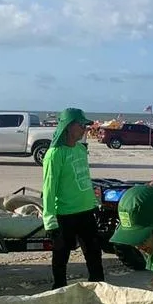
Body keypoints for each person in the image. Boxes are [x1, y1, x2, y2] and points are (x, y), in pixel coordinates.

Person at [42, 107, 105, 290]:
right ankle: (59, 289)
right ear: (69, 127)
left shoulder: (80, 149)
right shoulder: (54, 155)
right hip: (65, 214)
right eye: (81, 125)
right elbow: (49, 188)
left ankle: (99, 288)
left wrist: (94, 203)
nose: (85, 129)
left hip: (86, 211)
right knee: (61, 257)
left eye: (86, 125)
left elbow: (85, 178)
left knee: (94, 254)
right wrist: (49, 220)